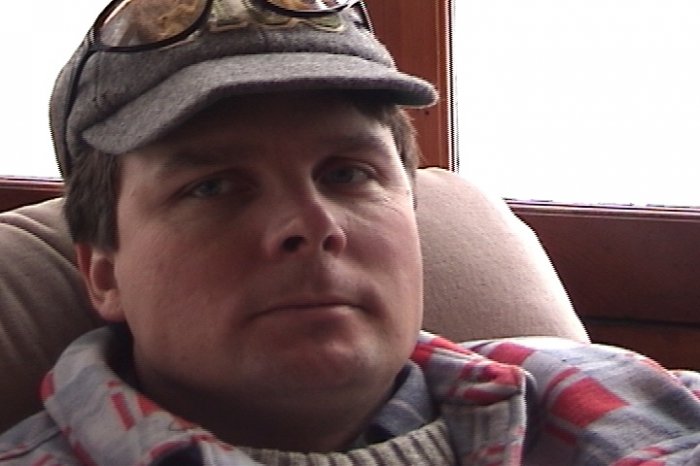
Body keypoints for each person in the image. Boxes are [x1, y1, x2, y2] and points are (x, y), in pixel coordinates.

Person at [1, 0, 700, 464]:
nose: (310, 226)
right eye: (213, 187)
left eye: (346, 174)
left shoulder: (616, 395)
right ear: (104, 273)